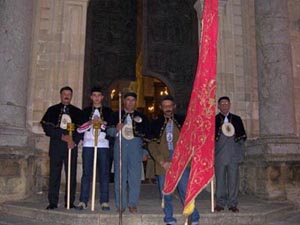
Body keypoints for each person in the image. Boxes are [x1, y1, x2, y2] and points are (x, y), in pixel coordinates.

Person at [148, 95, 200, 225]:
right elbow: (152, 145)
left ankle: (194, 217)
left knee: (186, 191)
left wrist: (180, 161)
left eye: (169, 106)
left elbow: (189, 142)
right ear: (161, 107)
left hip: (181, 162)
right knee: (166, 193)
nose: (167, 108)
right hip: (163, 162)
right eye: (165, 106)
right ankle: (169, 218)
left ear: (174, 106)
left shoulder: (183, 121)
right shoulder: (155, 123)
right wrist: (162, 161)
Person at [40, 86, 82, 210]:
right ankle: (53, 201)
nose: (67, 96)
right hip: (57, 145)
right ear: (60, 95)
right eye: (64, 94)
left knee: (71, 174)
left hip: (71, 146)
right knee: (54, 174)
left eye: (69, 94)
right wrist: (61, 136)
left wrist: (73, 140)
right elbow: (47, 127)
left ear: (71, 96)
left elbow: (80, 129)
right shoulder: (52, 110)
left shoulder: (77, 112)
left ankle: (69, 201)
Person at [108, 92, 149, 213]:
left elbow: (147, 136)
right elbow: (108, 132)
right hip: (120, 148)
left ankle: (132, 204)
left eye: (133, 100)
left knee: (134, 178)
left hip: (136, 150)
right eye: (128, 100)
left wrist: (144, 151)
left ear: (136, 102)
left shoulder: (142, 117)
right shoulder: (116, 115)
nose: (130, 102)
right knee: (119, 177)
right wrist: (115, 128)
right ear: (124, 101)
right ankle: (121, 204)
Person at [76, 87, 113, 211]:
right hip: (88, 144)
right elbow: (79, 128)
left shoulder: (108, 111)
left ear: (102, 97)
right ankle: (83, 200)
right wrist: (90, 123)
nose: (97, 98)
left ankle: (104, 201)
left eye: (99, 95)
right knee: (87, 173)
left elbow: (111, 129)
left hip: (103, 145)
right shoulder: (85, 111)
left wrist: (102, 123)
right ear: (91, 97)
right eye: (94, 95)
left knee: (104, 173)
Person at [214, 96, 247, 213]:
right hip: (220, 155)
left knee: (233, 180)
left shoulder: (237, 119)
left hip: (233, 154)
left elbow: (242, 138)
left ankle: (233, 203)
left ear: (229, 105)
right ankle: (220, 203)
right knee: (220, 181)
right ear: (218, 106)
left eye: (226, 103)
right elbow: (210, 140)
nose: (224, 105)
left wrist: (240, 154)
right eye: (222, 104)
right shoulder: (214, 120)